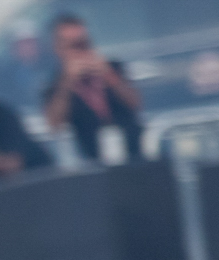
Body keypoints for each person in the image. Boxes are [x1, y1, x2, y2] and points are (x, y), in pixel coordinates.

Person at [44, 13, 144, 164]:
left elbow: (135, 103)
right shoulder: (54, 84)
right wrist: (67, 82)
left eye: (84, 43)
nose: (81, 50)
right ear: (59, 48)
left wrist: (109, 76)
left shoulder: (112, 68)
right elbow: (54, 124)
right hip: (89, 162)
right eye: (74, 45)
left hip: (132, 154)